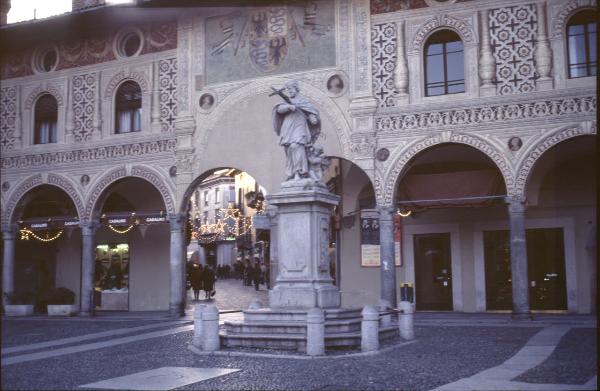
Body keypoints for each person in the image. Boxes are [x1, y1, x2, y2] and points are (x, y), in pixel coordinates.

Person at [272, 80, 321, 181]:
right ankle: (292, 173)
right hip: (288, 127)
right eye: (288, 90)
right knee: (289, 149)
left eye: (291, 89)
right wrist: (289, 107)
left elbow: (310, 111)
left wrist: (313, 118)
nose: (289, 91)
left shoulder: (304, 101)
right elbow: (279, 109)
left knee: (296, 146)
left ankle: (300, 172)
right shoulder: (286, 101)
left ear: (296, 89)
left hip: (300, 125)